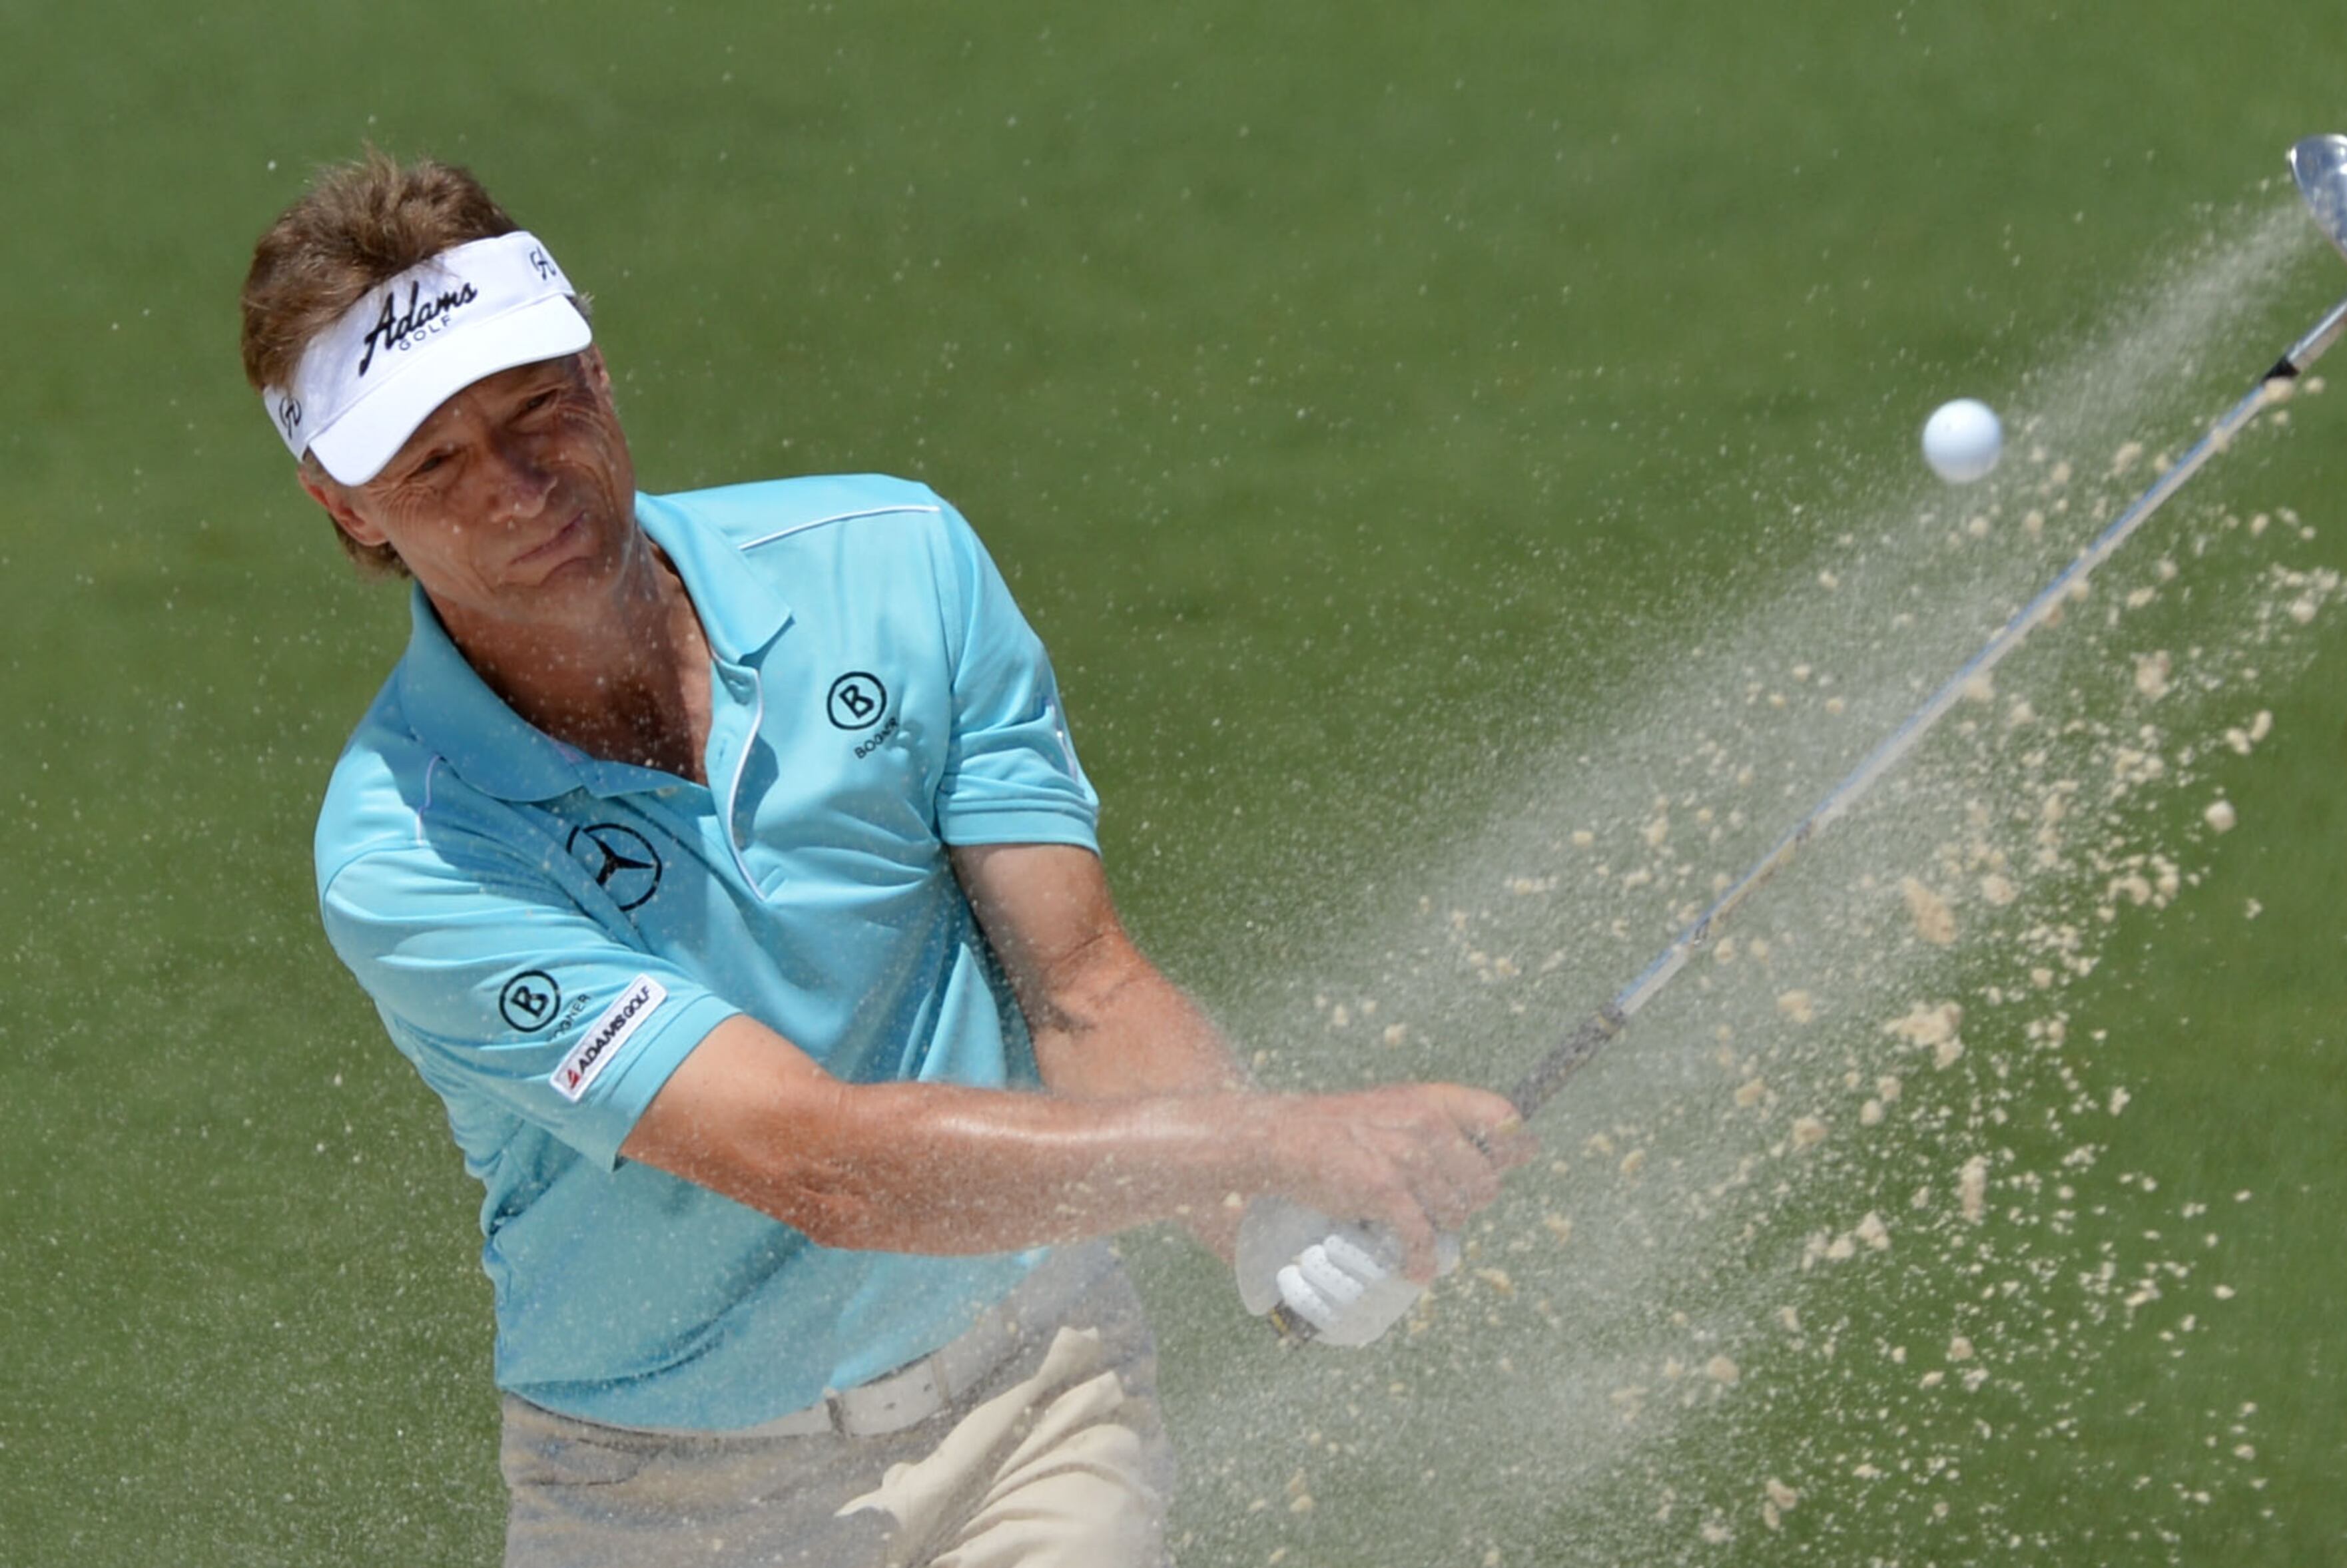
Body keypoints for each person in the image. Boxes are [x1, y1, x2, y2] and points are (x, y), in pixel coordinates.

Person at [240, 151, 1528, 1567]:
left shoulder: (894, 564)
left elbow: (1083, 985)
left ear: (599, 374)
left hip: (1036, 1395)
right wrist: (1268, 1138)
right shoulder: (410, 848)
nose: (516, 484)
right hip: (660, 1499)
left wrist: (1254, 1211)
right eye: (434, 462)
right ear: (347, 507)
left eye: (538, 407)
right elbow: (818, 1163)